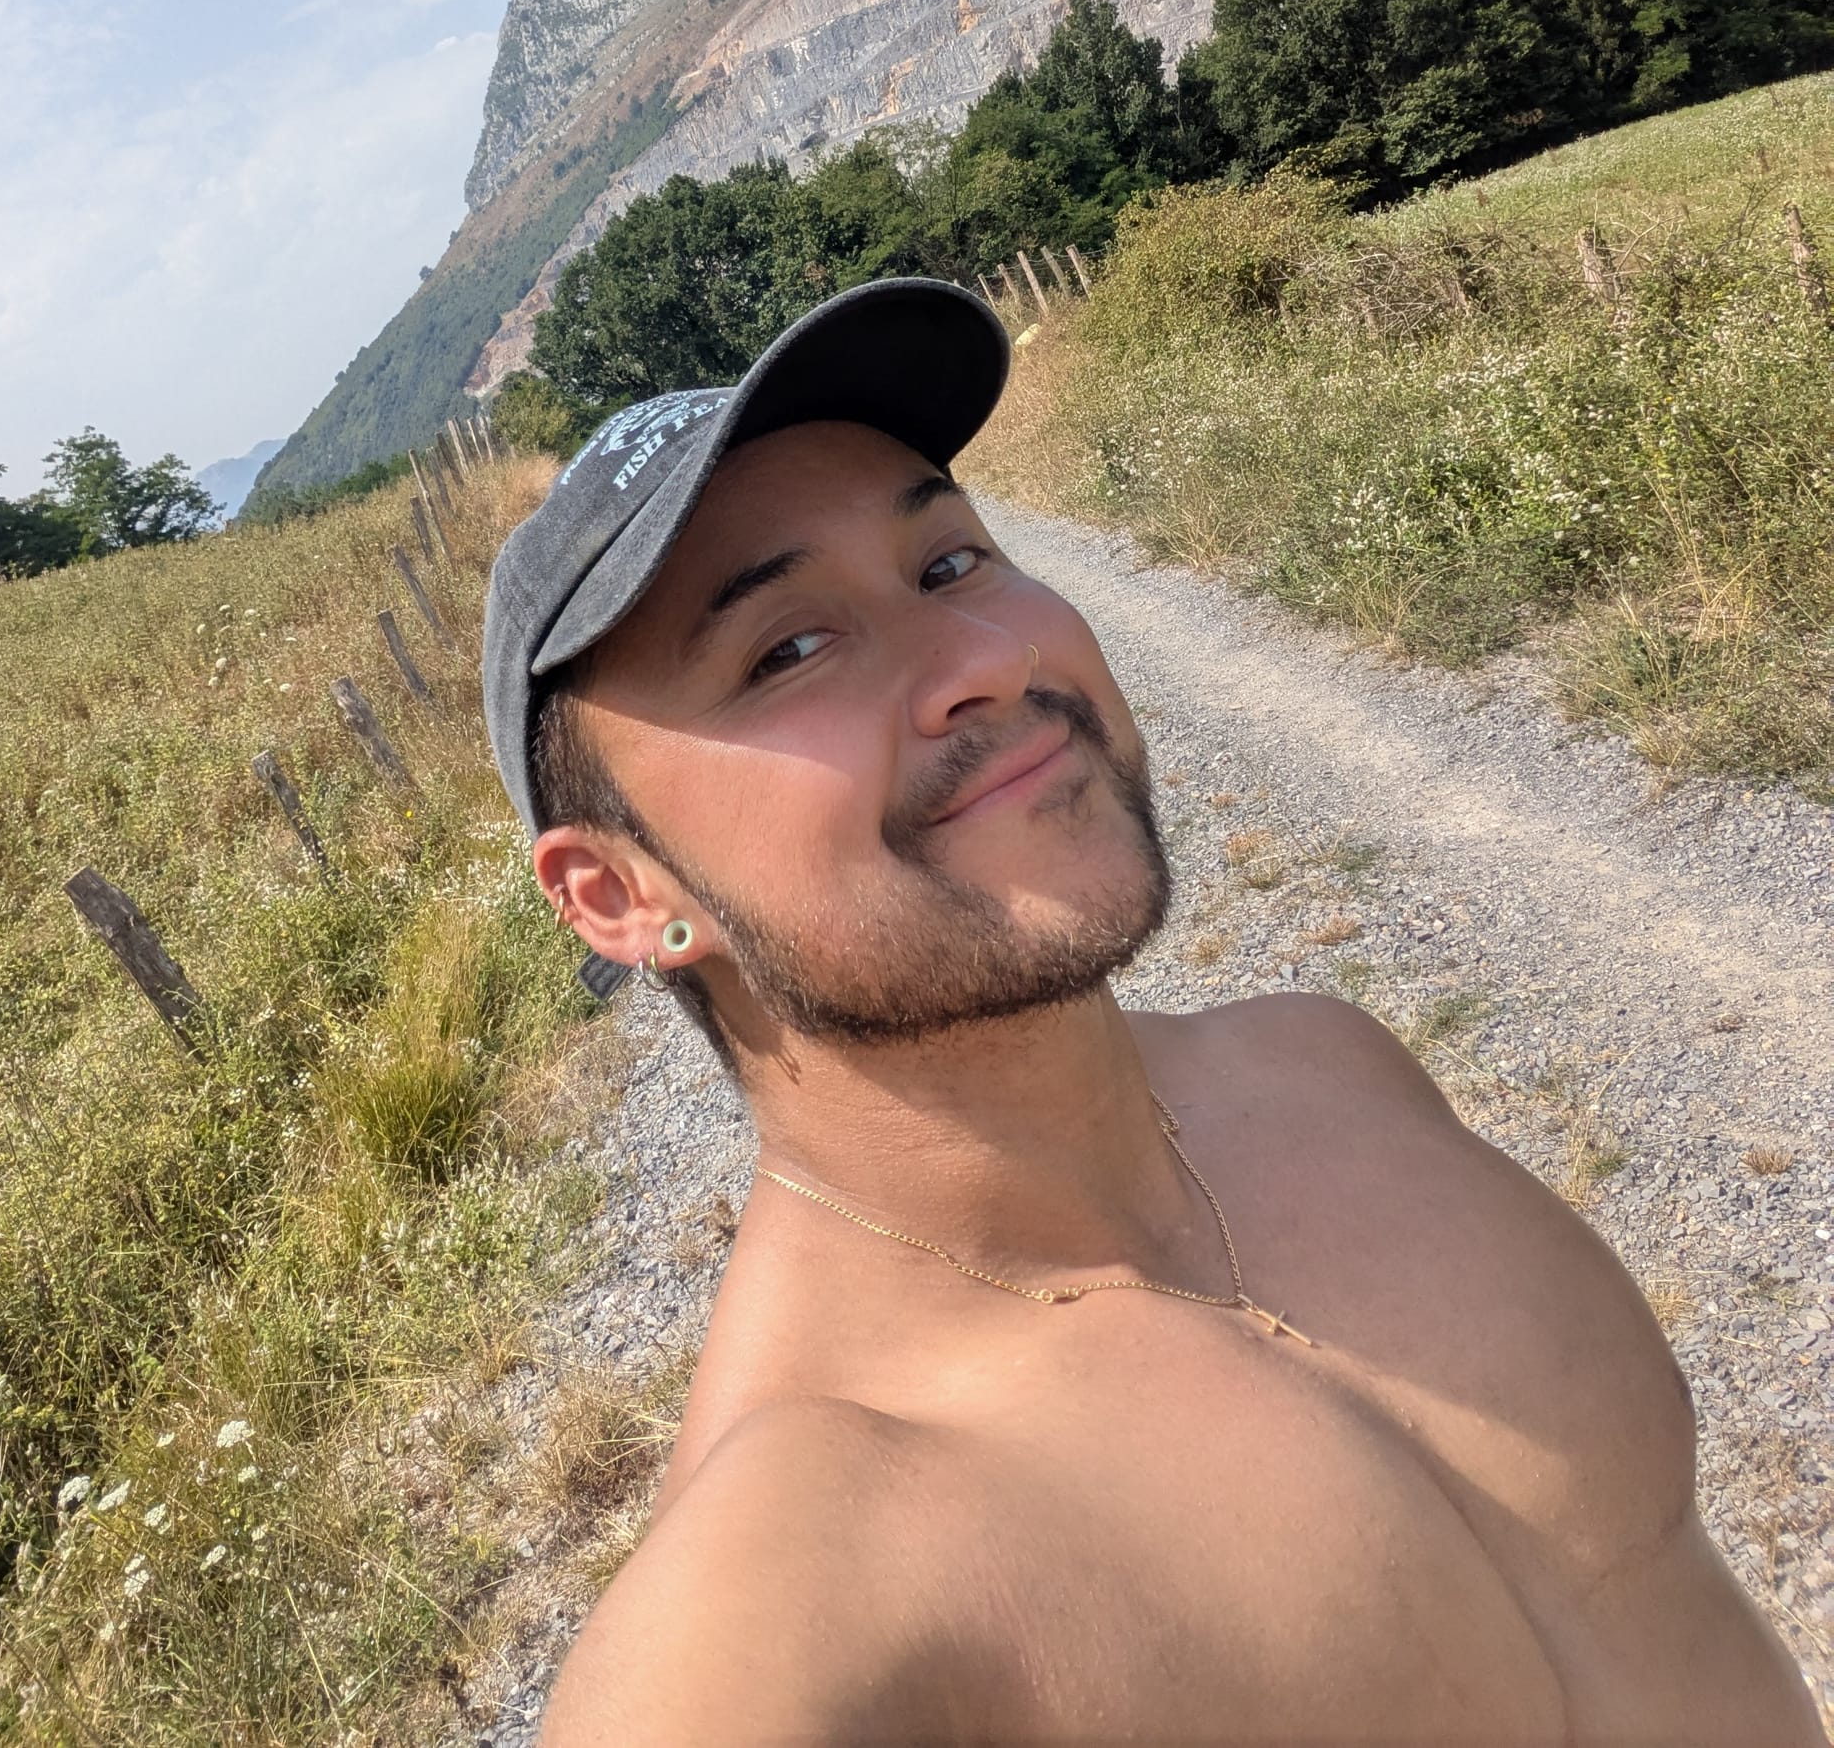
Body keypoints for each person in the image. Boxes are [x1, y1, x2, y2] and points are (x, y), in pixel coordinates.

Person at [482, 279, 1817, 1747]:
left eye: (949, 561)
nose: (986, 659)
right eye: (787, 649)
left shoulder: (1329, 1063)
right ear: (619, 894)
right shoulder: (784, 1597)